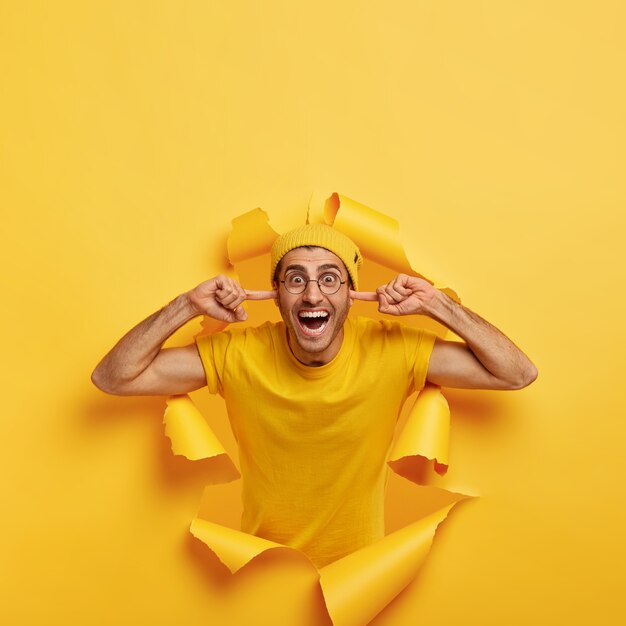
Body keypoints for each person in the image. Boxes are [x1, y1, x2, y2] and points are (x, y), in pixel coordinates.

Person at [92, 224, 537, 568]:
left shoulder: (394, 348)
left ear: (350, 293)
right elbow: (115, 377)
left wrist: (437, 305)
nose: (312, 295)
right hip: (260, 579)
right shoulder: (237, 352)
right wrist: (187, 306)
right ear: (276, 294)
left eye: (329, 279)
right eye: (295, 280)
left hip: (360, 582)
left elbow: (517, 373)